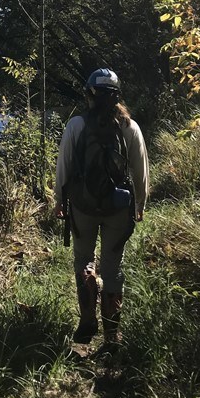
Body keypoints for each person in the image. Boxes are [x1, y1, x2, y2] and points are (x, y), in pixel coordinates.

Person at [55, 68, 149, 346]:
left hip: (82, 206)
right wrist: (139, 204)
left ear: (89, 94)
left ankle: (86, 322)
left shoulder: (76, 125)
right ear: (117, 96)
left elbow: (64, 167)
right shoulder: (130, 127)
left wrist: (59, 200)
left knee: (83, 260)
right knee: (113, 266)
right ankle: (111, 335)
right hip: (118, 207)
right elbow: (141, 171)